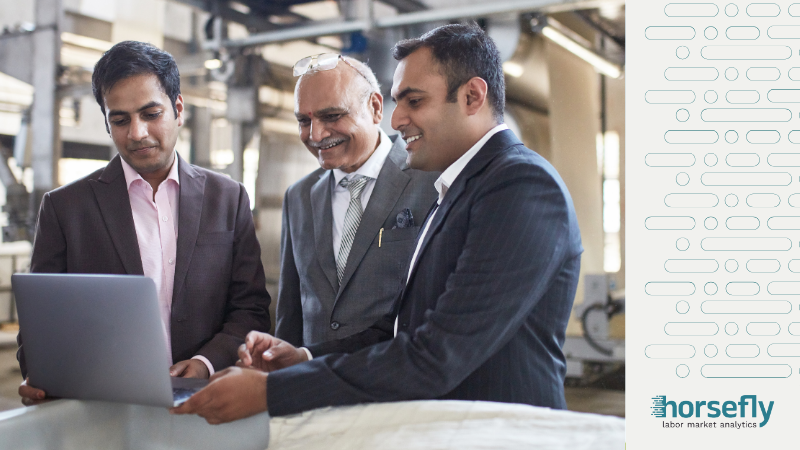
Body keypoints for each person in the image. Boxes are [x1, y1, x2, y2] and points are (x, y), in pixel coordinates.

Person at [172, 23, 582, 424]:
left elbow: (438, 353)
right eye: (398, 101)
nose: (397, 118)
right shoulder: (461, 186)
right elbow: (403, 327)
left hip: (502, 431)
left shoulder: (520, 185)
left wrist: (272, 391)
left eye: (414, 101)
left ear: (473, 96)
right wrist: (304, 358)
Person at [17, 41, 271, 404]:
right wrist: (42, 375)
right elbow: (40, 324)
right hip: (102, 406)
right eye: (120, 120)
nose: (136, 133)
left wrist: (204, 363)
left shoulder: (227, 198)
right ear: (107, 124)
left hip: (206, 403)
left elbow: (251, 309)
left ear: (178, 109)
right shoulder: (65, 208)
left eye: (150, 114)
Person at [276, 54, 437, 347]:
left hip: (397, 386)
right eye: (304, 121)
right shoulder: (298, 197)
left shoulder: (431, 182)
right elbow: (291, 314)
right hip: (314, 386)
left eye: (332, 116)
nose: (316, 135)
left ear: (375, 108)